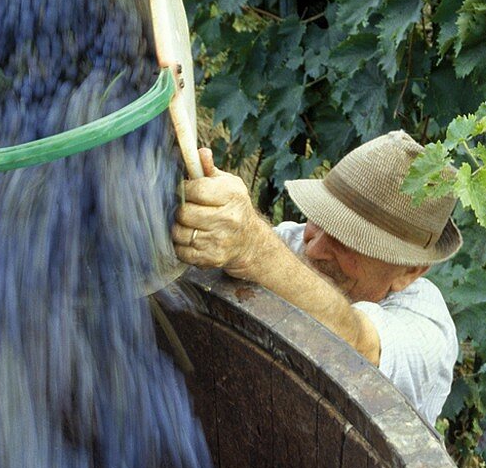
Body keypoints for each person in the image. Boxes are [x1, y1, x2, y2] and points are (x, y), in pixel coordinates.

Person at [172, 130, 462, 426]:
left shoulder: (428, 331)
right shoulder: (295, 241)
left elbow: (360, 345)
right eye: (319, 219)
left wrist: (254, 246)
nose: (314, 247)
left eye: (348, 242)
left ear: (409, 271)